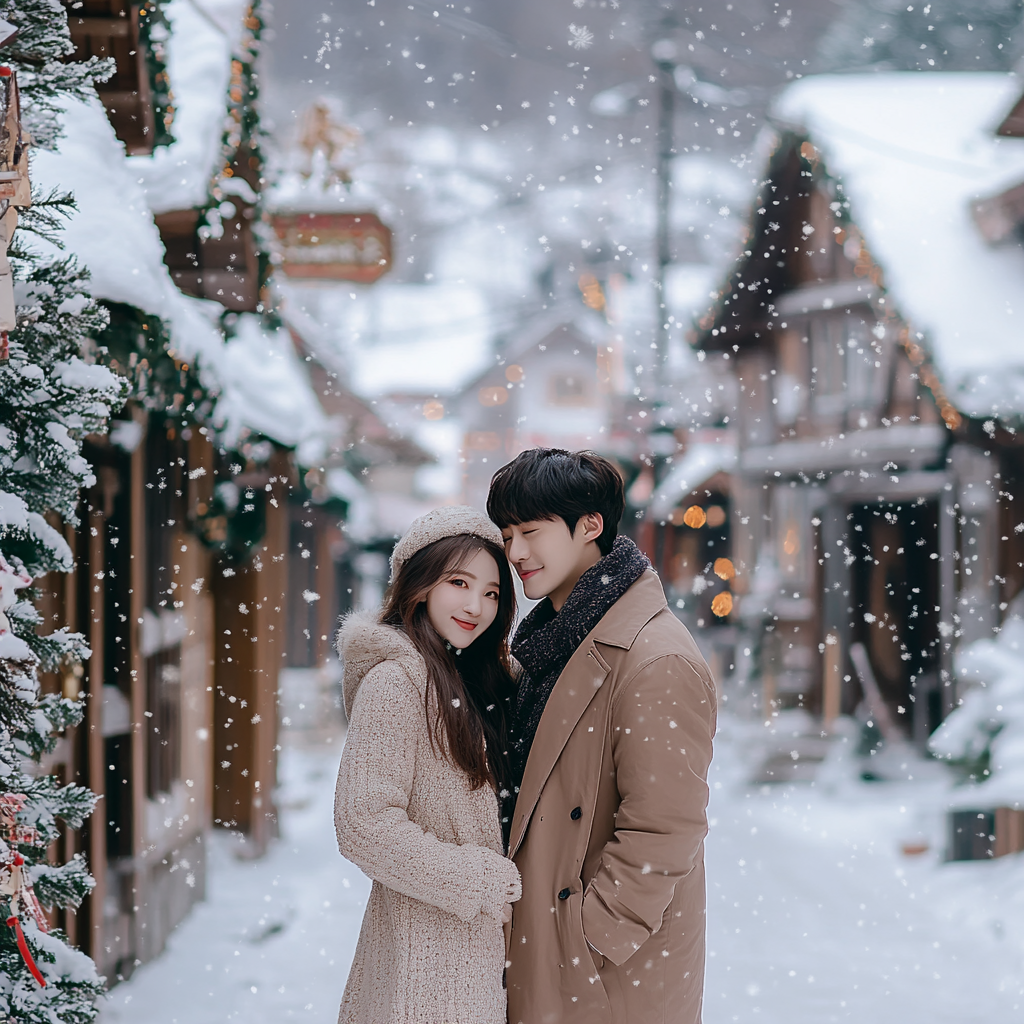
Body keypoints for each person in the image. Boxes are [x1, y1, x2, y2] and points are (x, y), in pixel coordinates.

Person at [487, 449, 717, 1024]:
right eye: (507, 534)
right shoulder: (550, 646)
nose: (515, 553)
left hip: (609, 979)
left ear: (590, 525)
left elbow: (665, 827)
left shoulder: (653, 658)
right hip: (549, 957)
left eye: (531, 532)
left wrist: (588, 941)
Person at [333, 506, 521, 1024]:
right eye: (459, 582)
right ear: (419, 585)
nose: (475, 605)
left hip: (484, 958)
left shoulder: (480, 681)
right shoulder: (395, 684)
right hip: (422, 966)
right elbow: (363, 825)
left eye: (491, 592)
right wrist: (478, 879)